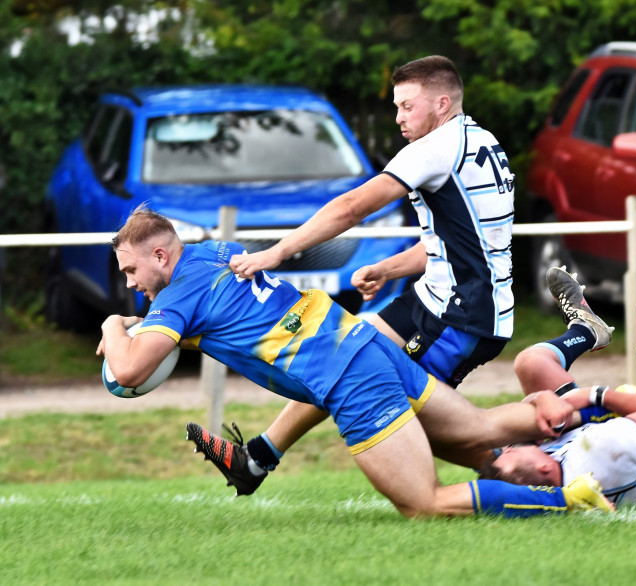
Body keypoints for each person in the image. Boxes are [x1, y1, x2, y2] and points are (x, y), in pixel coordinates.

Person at [97, 205, 614, 519]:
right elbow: (213, 320)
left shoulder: (176, 299)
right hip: (361, 341)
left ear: (162, 257)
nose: (129, 283)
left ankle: (569, 501)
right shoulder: (216, 253)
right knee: (481, 428)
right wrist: (141, 326)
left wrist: (113, 327)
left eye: (131, 269)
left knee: (424, 504)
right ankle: (602, 408)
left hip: (348, 378)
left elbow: (129, 372)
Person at [221, 55, 589, 490]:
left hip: (460, 317)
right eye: (396, 107)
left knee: (428, 417)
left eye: (407, 106)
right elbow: (452, 246)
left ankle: (552, 455)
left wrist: (277, 252)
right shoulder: (480, 139)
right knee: (341, 351)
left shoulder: (436, 149)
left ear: (441, 103)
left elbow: (352, 206)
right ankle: (258, 458)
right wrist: (386, 267)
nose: (398, 118)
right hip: (433, 300)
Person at [480, 267, 636, 506]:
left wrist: (539, 400)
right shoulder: (599, 458)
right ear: (543, 468)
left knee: (531, 363)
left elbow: (521, 422)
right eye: (510, 454)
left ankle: (586, 329)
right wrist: (593, 396)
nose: (507, 450)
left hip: (619, 432)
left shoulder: (543, 470)